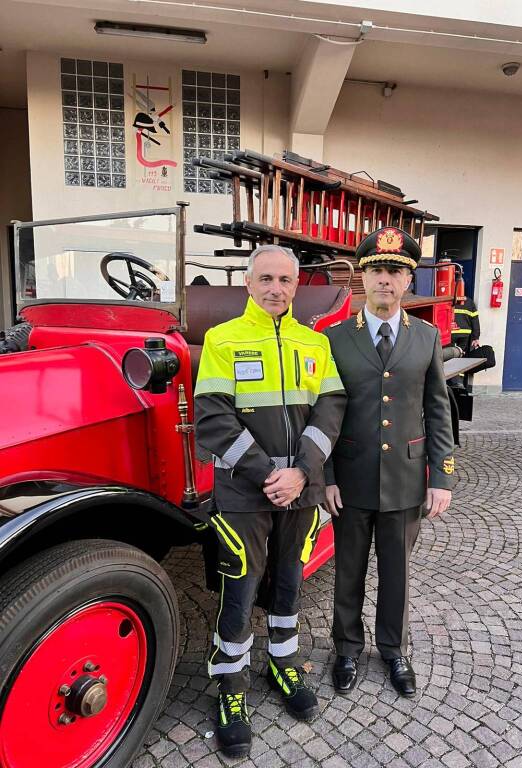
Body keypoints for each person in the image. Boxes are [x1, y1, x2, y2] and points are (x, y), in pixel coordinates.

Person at [194, 244, 346, 759]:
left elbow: (331, 411)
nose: (275, 288)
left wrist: (302, 472)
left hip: (298, 492)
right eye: (265, 279)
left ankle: (284, 661)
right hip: (244, 494)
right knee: (240, 588)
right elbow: (213, 417)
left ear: (295, 285)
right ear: (248, 282)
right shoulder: (222, 339)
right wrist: (269, 475)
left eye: (284, 280)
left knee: (289, 581)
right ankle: (230, 688)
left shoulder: (314, 344)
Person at [324, 226, 455, 698]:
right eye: (377, 270)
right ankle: (346, 648)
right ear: (363, 277)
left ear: (407, 281)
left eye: (395, 271)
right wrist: (327, 476)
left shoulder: (426, 336)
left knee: (397, 572)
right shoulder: (335, 337)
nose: (386, 279)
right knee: (349, 571)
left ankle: (394, 649)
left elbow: (439, 408)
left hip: (405, 477)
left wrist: (441, 476)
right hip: (352, 477)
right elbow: (325, 411)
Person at [452, 291, 496, 371]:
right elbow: (475, 320)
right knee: (462, 356)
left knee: (450, 356)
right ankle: (459, 380)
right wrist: (476, 337)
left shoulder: (448, 300)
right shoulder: (469, 302)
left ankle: (449, 379)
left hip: (451, 334)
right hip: (465, 335)